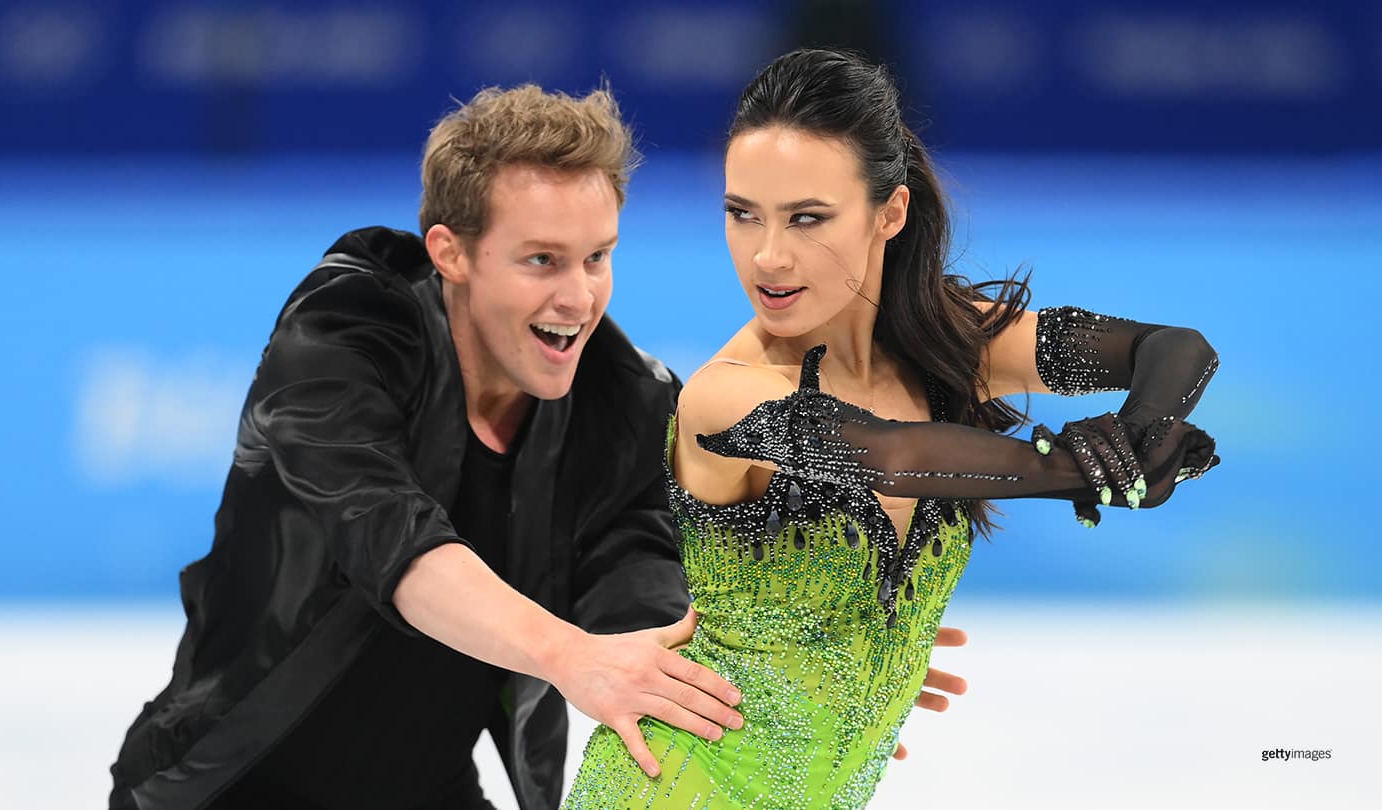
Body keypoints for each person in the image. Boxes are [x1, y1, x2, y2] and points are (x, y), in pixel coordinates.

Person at [107, 83, 963, 810]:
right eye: (542, 261)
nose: (579, 297)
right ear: (451, 254)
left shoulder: (626, 401)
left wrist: (804, 650)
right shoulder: (347, 330)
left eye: (597, 258)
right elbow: (384, 531)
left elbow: (644, 581)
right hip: (221, 787)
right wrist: (568, 655)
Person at [563, 48, 1220, 809]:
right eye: (742, 214)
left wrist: (1139, 434)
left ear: (890, 213)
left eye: (807, 218)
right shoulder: (727, 395)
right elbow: (893, 455)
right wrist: (1101, 469)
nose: (767, 255)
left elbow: (1174, 349)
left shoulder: (952, 345)